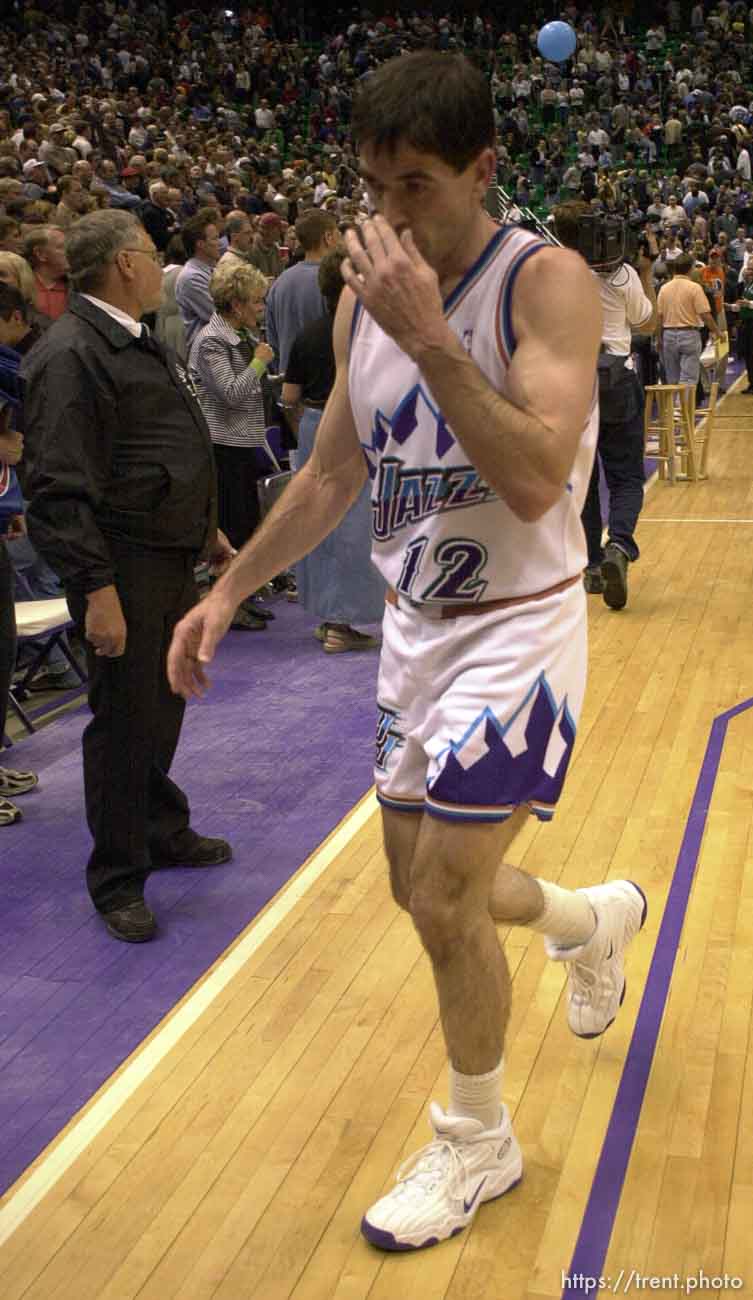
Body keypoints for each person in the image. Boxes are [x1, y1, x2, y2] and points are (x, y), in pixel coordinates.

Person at [168, 53, 647, 1252]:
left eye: (417, 186)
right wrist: (228, 588)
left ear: (482, 170)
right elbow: (334, 471)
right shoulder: (355, 296)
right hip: (412, 642)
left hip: (517, 633)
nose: (389, 217)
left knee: (441, 897)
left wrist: (433, 339)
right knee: (435, 890)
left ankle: (478, 1139)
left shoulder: (545, 284)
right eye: (374, 186)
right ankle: (590, 921)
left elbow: (542, 481)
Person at [23, 210, 234, 944]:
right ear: (123, 265)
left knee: (165, 699)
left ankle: (159, 825)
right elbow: (57, 486)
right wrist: (98, 592)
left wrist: (203, 525)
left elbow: (152, 445)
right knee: (123, 721)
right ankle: (117, 876)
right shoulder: (73, 352)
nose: (156, 264)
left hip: (167, 552)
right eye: (148, 252)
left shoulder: (128, 339)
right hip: (125, 566)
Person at [553, 202, 658, 611]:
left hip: (572, 381)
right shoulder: (623, 274)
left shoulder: (553, 273)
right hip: (618, 377)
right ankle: (619, 546)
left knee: (583, 481)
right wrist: (646, 270)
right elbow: (647, 321)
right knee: (626, 477)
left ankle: (592, 566)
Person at [282, 247, 383, 653]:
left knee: (320, 524)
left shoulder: (307, 335)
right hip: (354, 429)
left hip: (313, 426)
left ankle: (331, 615)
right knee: (353, 527)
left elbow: (290, 396)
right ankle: (341, 621)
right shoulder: (366, 335)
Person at [189, 259, 275, 630]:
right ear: (237, 304)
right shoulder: (211, 340)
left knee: (245, 524)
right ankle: (228, 603)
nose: (261, 308)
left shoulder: (241, 337)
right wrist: (258, 364)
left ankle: (241, 596)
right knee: (230, 526)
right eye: (257, 301)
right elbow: (232, 393)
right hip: (222, 445)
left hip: (242, 442)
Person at [265, 208, 339, 373]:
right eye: (337, 233)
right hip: (324, 384)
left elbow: (272, 342)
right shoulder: (333, 281)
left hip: (288, 382)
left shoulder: (279, 283)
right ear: (328, 237)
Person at [657, 253, 723, 388]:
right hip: (689, 334)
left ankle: (674, 408)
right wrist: (717, 332)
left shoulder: (664, 288)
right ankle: (684, 409)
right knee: (688, 379)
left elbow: (659, 317)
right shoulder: (695, 287)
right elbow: (705, 315)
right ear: (690, 269)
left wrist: (658, 339)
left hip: (668, 335)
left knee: (672, 379)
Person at [175, 207, 223, 350]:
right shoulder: (191, 277)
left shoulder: (212, 270)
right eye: (215, 239)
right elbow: (222, 317)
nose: (220, 243)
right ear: (200, 244)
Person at [23, 226, 69, 321]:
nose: (70, 251)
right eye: (61, 247)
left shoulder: (81, 286)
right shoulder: (20, 287)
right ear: (40, 254)